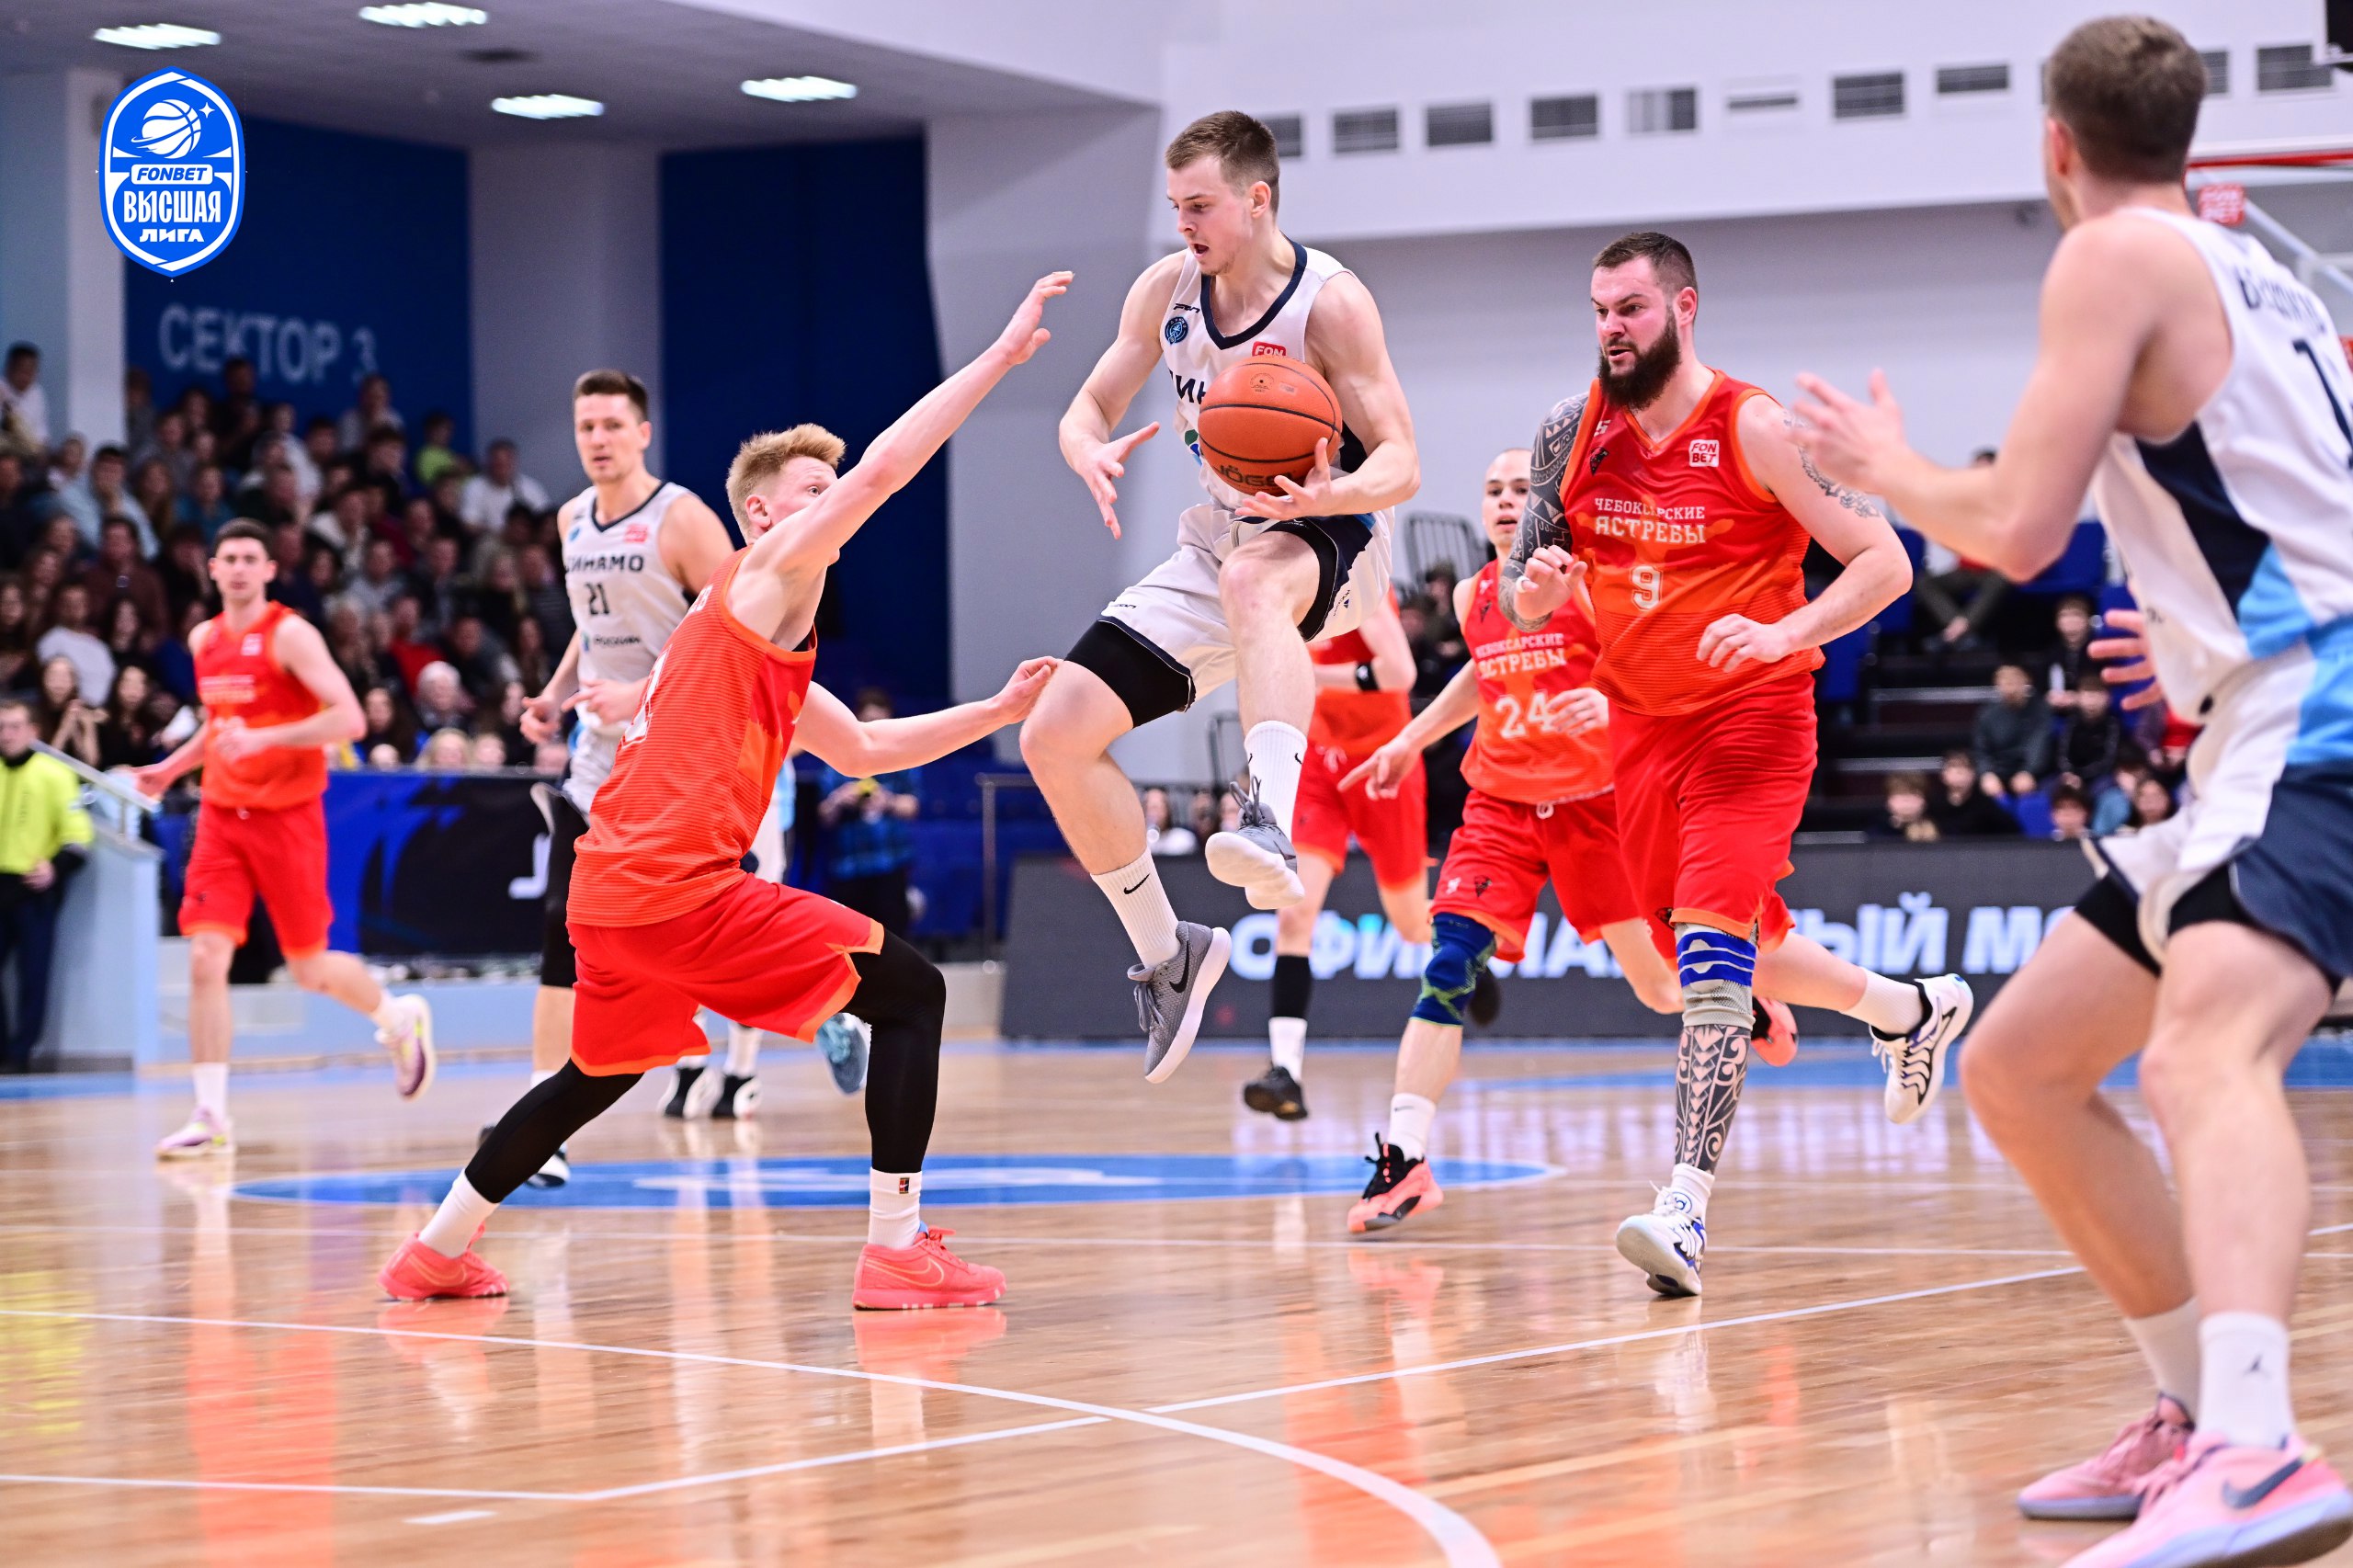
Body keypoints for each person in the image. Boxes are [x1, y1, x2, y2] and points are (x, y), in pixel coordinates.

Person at [1793, 17, 2353, 1560]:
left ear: (2056, 145)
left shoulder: (2112, 256)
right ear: (2192, 133)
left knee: (2204, 1052)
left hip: (2321, 706)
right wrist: (2180, 649)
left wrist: (1885, 466)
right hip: (2258, 708)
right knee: (2023, 1067)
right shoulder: (2264, 276)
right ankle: (2195, 1409)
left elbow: (2023, 528)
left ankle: (2259, 1445)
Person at [379, 272, 1068, 1310]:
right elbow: (885, 472)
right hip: (678, 888)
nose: (831, 498)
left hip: (612, 893)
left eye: (828, 487)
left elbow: (865, 748)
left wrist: (996, 711)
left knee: (594, 1075)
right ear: (760, 512)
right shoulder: (760, 574)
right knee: (914, 993)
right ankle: (896, 1247)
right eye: (811, 489)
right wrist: (1001, 358)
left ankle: (435, 1250)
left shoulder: (757, 639)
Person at [1505, 230, 1973, 1297]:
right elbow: (1527, 589)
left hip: (1752, 720)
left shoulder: (1753, 426)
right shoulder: (1568, 432)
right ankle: (1908, 1008)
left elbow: (1885, 562)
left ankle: (1683, 1207)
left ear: (1683, 308)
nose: (1611, 329)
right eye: (1598, 310)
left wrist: (1781, 633)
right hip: (1640, 729)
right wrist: (1536, 591)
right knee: (1723, 949)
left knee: (1713, 955)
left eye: (1630, 308)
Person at [1340, 447, 1836, 1238]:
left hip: (1599, 808)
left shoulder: (1593, 583)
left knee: (1659, 990)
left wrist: (1613, 709)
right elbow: (1483, 672)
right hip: (1502, 805)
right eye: (1492, 490)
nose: (1506, 501)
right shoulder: (1473, 594)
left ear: (1547, 504)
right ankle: (1406, 1160)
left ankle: (1746, 1003)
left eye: (1520, 488)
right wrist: (1411, 739)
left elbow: (1659, 657)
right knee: (1448, 965)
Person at [1020, 110, 1420, 1082]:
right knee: (1053, 733)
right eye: (1175, 207)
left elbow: (1402, 462)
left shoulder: (1330, 304)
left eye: (1199, 205)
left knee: (1254, 578)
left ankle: (1268, 814)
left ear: (1257, 198)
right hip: (1221, 535)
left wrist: (1330, 496)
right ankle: (1170, 954)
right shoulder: (1166, 290)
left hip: (1335, 528)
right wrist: (1085, 447)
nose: (1184, 224)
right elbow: (1090, 402)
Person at [129, 521, 436, 1157]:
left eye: (252, 558)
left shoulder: (290, 634)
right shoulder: (204, 639)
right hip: (221, 817)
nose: (240, 568)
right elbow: (220, 726)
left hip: (288, 817)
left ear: (269, 570)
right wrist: (170, 768)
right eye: (230, 558)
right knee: (205, 958)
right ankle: (210, 1113)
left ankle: (397, 1018)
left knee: (309, 969)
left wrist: (265, 739)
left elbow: (349, 718)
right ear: (212, 569)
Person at [506, 368, 733, 1175]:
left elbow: (738, 627)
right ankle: (541, 1122)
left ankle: (831, 1005)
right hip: (598, 754)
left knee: (687, 927)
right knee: (561, 921)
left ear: (642, 433)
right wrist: (556, 692)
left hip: (676, 749)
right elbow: (590, 625)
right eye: (585, 427)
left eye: (611, 425)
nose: (597, 440)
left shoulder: (683, 518)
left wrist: (643, 692)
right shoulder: (571, 518)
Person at [1242, 588, 1426, 1122]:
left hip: (1383, 760)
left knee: (1411, 923)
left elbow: (1400, 673)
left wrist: (1315, 675)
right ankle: (1286, 1072)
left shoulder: (1361, 586)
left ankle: (1469, 954)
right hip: (1321, 763)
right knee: (1294, 914)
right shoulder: (1278, 590)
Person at [0, 699, 88, 1071]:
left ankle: (21, 1053)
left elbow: (78, 837)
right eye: (2, 727)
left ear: (33, 731)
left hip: (32, 888)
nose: (7, 735)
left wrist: (54, 868)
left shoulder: (54, 774)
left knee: (34, 974)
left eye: (15, 727)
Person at [817, 688, 922, 937]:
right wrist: (839, 799)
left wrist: (888, 801)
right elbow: (824, 816)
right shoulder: (837, 761)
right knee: (851, 943)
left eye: (881, 722)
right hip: (849, 868)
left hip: (890, 865)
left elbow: (913, 806)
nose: (876, 728)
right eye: (870, 722)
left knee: (895, 940)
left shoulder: (903, 759)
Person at [1909, 449, 2009, 653]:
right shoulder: (1962, 503)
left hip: (1994, 568)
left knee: (2001, 579)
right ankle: (1962, 632)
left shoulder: (2007, 502)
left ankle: (1952, 635)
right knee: (1924, 582)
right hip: (1966, 568)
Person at [1974, 662, 2055, 799]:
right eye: (2005, 682)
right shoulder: (1987, 714)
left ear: (2026, 681)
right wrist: (1987, 774)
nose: (2010, 688)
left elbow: (2039, 746)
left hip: (2034, 773)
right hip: (1999, 773)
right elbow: (1981, 750)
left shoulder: (2041, 710)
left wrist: (2029, 772)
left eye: (2014, 681)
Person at [36, 583, 111, 706]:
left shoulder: (99, 646)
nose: (74, 607)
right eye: (69, 602)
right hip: (73, 709)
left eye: (79, 602)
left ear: (87, 606)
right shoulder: (50, 641)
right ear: (59, 607)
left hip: (106, 710)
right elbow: (54, 685)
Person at [460, 438, 549, 535]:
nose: (502, 466)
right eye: (498, 462)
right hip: (490, 538)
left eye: (507, 462)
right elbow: (468, 523)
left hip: (527, 539)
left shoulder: (530, 487)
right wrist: (503, 533)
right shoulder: (474, 487)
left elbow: (545, 517)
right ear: (489, 462)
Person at [1931, 747, 2024, 838]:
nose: (1959, 772)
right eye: (1953, 766)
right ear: (1943, 774)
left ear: (1973, 774)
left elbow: (2012, 834)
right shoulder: (1934, 805)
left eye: (1965, 767)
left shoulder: (1987, 806)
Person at [0, 345, 49, 458]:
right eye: (22, 371)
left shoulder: (37, 393)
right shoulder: (1, 388)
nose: (26, 377)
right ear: (9, 368)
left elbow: (41, 434)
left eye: (30, 372)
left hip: (27, 451)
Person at [1873, 770, 1939, 842]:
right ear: (1888, 801)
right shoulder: (1875, 832)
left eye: (1913, 793)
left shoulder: (1942, 826)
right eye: (1899, 793)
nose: (1906, 800)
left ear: (1925, 800)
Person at [1142, 787, 1196, 857]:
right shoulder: (1137, 844)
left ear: (1168, 810)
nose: (1155, 813)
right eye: (1151, 807)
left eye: (1159, 807)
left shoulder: (1184, 839)